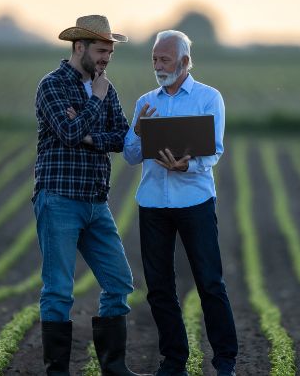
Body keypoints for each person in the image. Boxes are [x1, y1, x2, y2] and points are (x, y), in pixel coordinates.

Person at [33, 15, 146, 376]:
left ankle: (114, 368)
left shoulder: (106, 89)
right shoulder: (52, 86)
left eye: (110, 52)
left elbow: (121, 137)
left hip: (97, 202)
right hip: (59, 198)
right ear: (79, 47)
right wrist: (93, 105)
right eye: (101, 50)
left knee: (119, 282)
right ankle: (57, 372)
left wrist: (89, 134)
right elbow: (67, 132)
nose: (106, 58)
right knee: (59, 291)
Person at [123, 30, 238, 376]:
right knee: (158, 288)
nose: (158, 66)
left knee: (209, 282)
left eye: (165, 59)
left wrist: (186, 165)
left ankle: (225, 362)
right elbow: (130, 155)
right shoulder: (146, 101)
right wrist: (140, 130)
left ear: (185, 62)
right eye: (155, 59)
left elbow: (214, 150)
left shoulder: (208, 98)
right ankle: (174, 362)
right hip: (153, 203)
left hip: (195, 201)